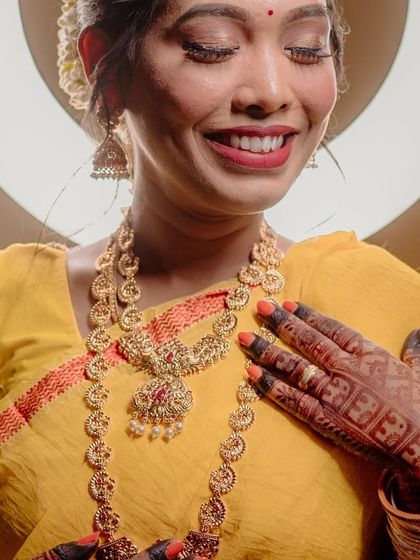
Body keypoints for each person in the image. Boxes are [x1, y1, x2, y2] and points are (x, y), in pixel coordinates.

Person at [0, 0, 419, 559]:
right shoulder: (11, 298)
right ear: (107, 68)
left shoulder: (380, 303)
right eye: (213, 46)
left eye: (306, 48)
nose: (270, 91)